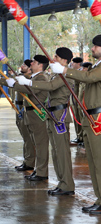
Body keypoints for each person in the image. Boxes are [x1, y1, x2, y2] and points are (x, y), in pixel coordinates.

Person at [49, 34, 101, 214]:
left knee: (99, 162)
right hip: (90, 119)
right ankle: (99, 199)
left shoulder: (99, 68)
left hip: (98, 120)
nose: (92, 49)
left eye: (95, 46)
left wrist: (64, 70)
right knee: (94, 163)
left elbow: (89, 77)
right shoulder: (96, 66)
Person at [17, 48, 75, 195]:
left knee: (62, 152)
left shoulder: (66, 74)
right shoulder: (57, 74)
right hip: (52, 114)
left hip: (60, 116)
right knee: (55, 152)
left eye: (56, 56)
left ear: (63, 59)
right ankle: (62, 183)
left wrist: (29, 83)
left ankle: (67, 185)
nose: (53, 59)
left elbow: (51, 87)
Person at [6, 55, 50, 181]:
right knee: (33, 142)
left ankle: (42, 172)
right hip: (30, 114)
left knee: (41, 144)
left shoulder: (42, 78)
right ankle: (37, 169)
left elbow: (30, 90)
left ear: (40, 65)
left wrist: (14, 84)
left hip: (38, 114)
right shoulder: (35, 77)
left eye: (34, 62)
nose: (31, 64)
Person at [13, 60, 36, 172]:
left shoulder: (30, 79)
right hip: (19, 108)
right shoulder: (21, 77)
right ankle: (27, 160)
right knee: (25, 138)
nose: (22, 66)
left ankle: (30, 162)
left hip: (25, 109)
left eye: (25, 65)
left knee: (28, 138)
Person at [70, 57, 84, 145]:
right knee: (76, 118)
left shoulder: (81, 73)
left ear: (78, 64)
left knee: (80, 119)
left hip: (79, 100)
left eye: (73, 63)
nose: (72, 64)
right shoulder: (74, 73)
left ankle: (82, 137)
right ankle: (79, 136)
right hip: (74, 100)